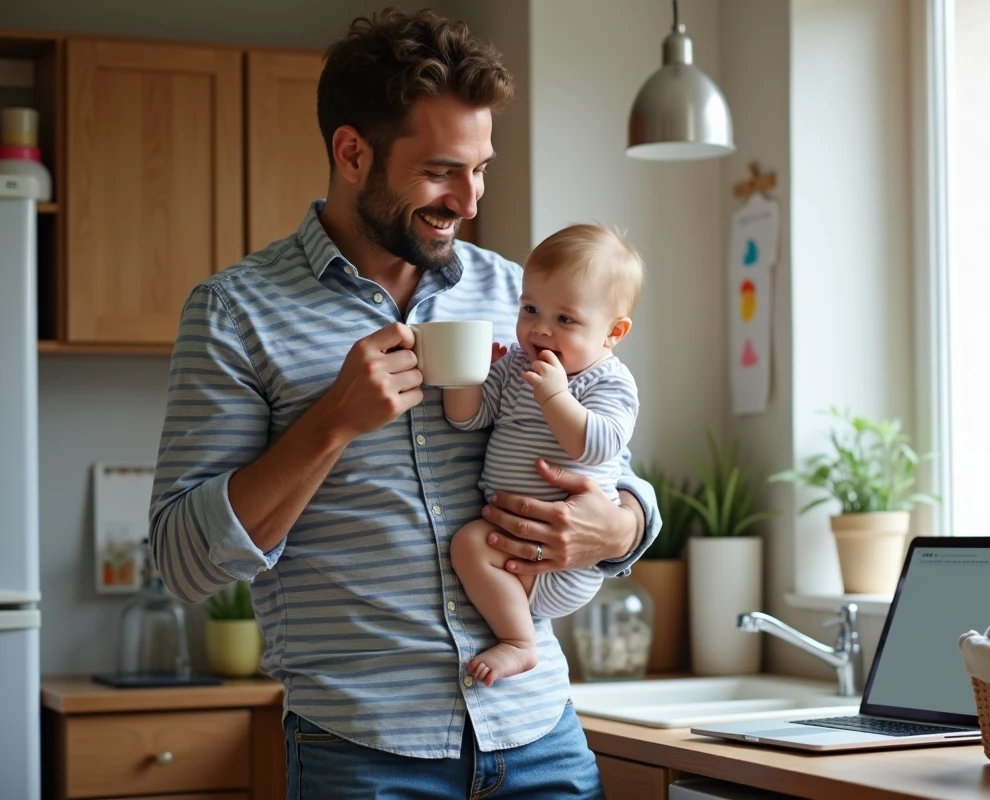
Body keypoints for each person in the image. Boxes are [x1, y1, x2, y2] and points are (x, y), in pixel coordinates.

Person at [147, 8, 660, 799]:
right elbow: (183, 562)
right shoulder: (234, 311)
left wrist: (618, 524)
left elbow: (613, 462)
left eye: (481, 168)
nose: (470, 198)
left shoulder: (520, 297)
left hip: (538, 733)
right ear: (353, 153)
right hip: (363, 751)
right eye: (442, 172)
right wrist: (331, 423)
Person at [444, 224, 644, 686]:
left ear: (613, 332)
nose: (540, 328)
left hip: (567, 559)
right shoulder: (516, 364)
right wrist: (467, 377)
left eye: (565, 320)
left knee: (470, 546)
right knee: (470, 545)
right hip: (509, 542)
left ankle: (519, 642)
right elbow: (468, 419)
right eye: (530, 309)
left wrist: (556, 397)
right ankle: (517, 637)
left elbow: (597, 444)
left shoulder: (608, 381)